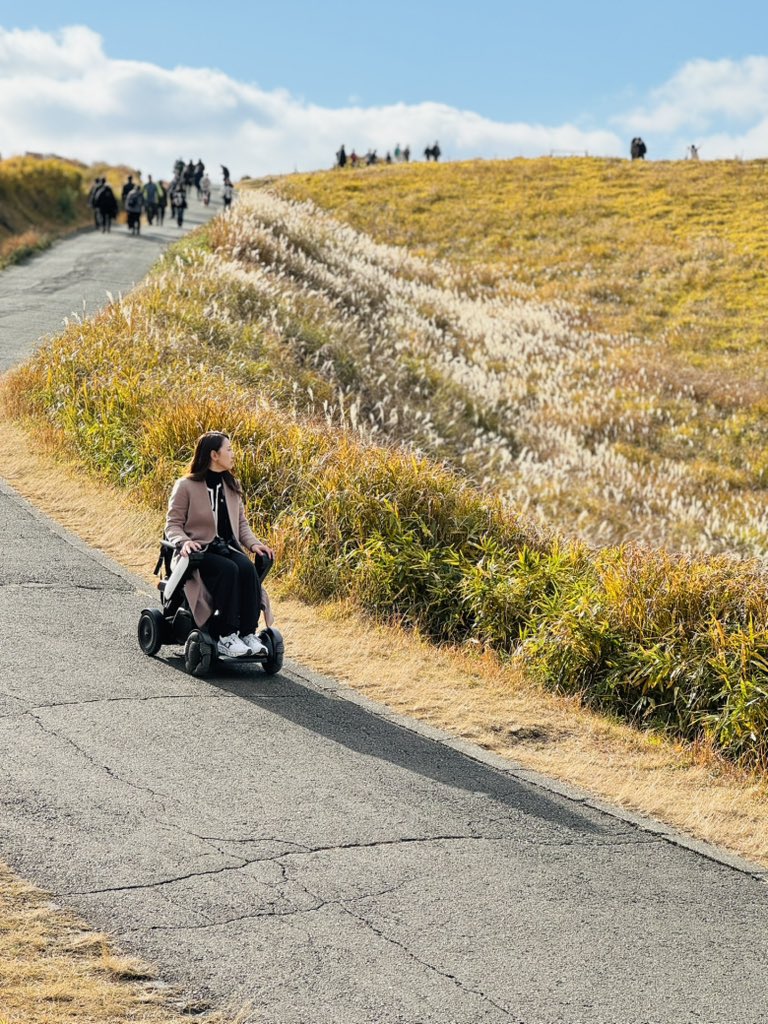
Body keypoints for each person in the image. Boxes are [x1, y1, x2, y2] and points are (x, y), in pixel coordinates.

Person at [165, 431, 275, 658]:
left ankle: (247, 633)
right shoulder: (185, 486)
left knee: (245, 567)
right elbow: (173, 525)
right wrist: (184, 542)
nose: (233, 454)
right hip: (198, 551)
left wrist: (254, 544)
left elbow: (241, 524)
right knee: (229, 570)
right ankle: (226, 636)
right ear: (214, 455)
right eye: (229, 449)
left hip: (226, 548)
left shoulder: (232, 485)